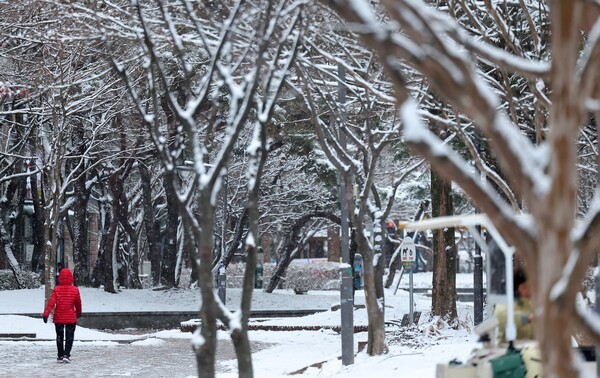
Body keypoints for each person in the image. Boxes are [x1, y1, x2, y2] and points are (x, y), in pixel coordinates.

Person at [42, 268, 82, 363]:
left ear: (60, 278)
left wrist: (46, 314)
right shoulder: (75, 290)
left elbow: (51, 303)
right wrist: (79, 313)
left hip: (59, 317)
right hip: (71, 317)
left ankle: (60, 355)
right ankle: (66, 354)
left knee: (59, 336)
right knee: (69, 337)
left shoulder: (57, 289)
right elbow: (78, 304)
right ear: (71, 278)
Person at [494, 267, 535, 343]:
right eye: (524, 287)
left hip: (533, 349)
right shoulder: (506, 302)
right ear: (516, 288)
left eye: (531, 287)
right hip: (509, 349)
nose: (528, 291)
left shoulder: (536, 303)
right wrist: (526, 318)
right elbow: (501, 318)